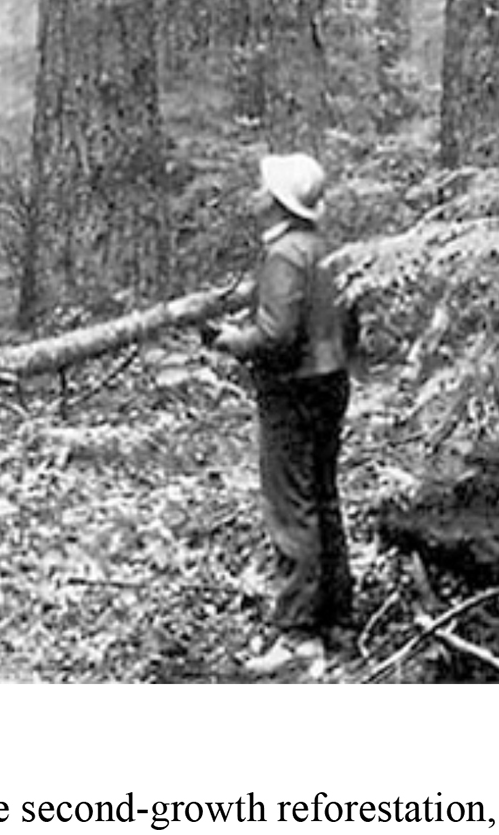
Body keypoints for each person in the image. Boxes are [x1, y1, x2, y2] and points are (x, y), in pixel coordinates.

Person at [208, 151, 354, 677]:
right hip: (331, 383)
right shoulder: (327, 250)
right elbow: (349, 323)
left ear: (277, 201)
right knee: (324, 499)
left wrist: (230, 341)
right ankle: (339, 624)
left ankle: (298, 635)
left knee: (291, 509)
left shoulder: (285, 256)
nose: (256, 196)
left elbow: (276, 337)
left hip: (291, 392)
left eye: (263, 190)